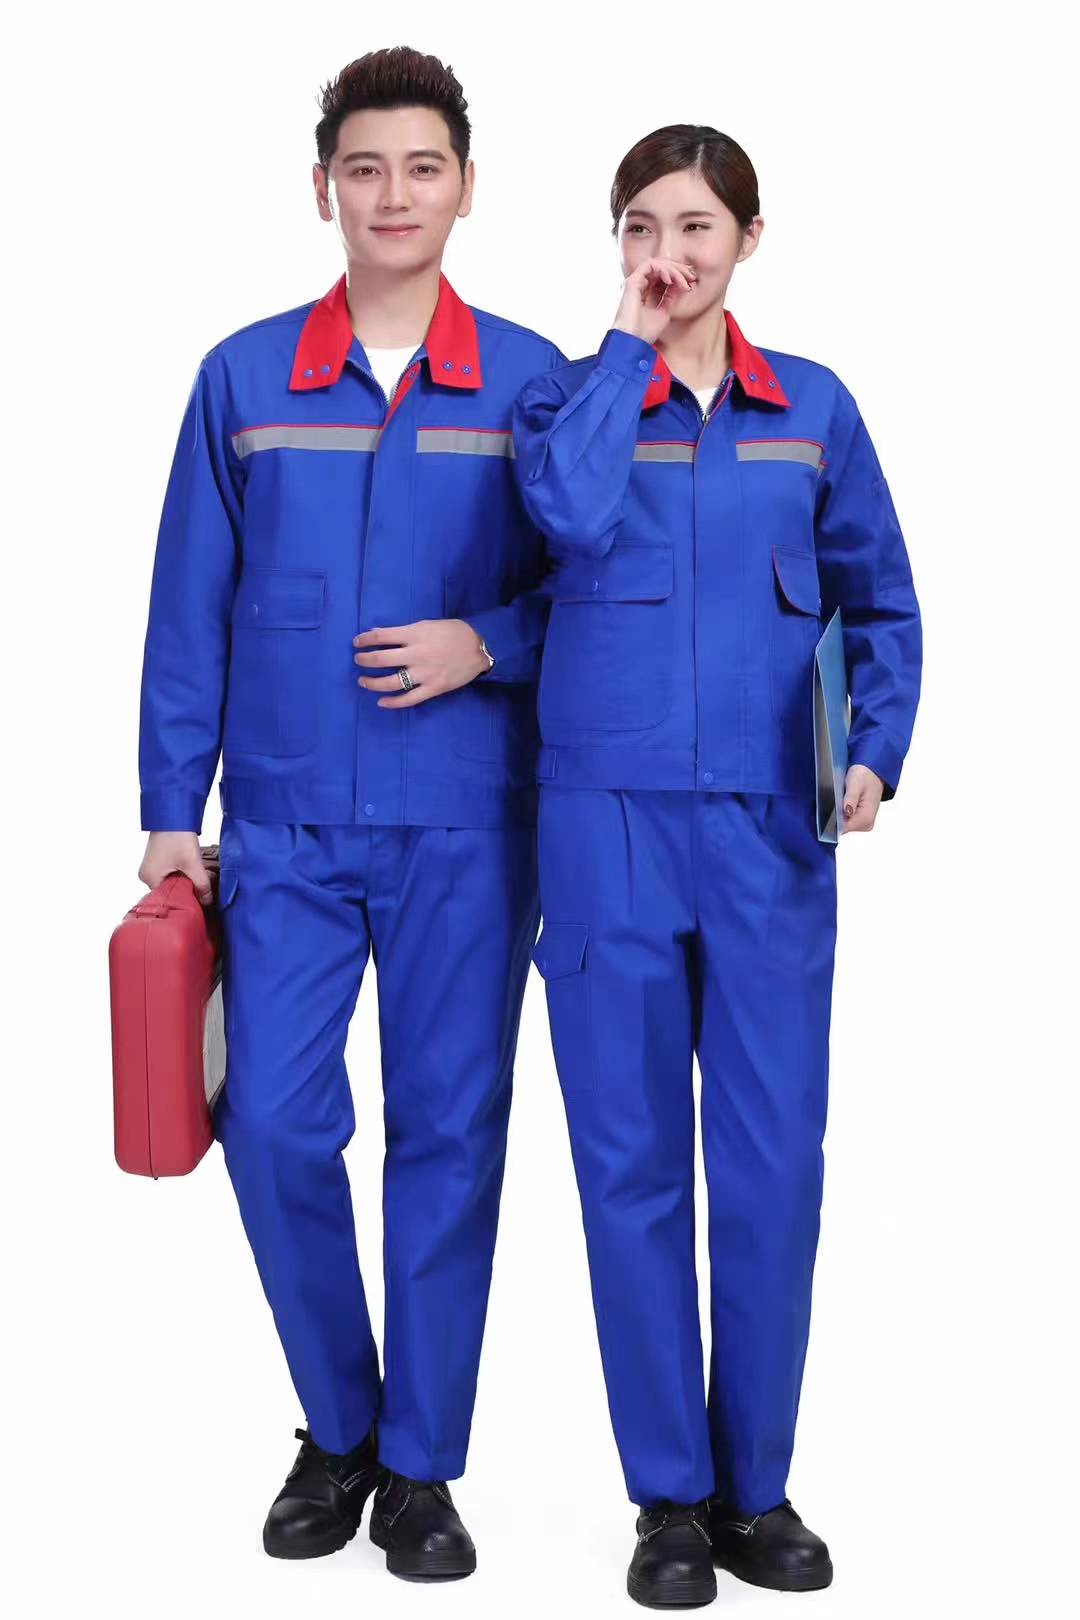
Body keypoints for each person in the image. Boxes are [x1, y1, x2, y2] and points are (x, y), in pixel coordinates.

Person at [137, 47, 563, 1581]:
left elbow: (596, 589)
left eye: (423, 167)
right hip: (289, 826)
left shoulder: (532, 381)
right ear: (323, 185)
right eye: (366, 168)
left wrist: (486, 644)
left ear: (466, 188)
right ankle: (341, 1425)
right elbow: (191, 603)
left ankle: (422, 1468)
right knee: (270, 1122)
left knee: (451, 1135)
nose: (395, 195)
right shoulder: (244, 378)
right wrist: (168, 806)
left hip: (470, 821)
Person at [513, 123, 922, 1608]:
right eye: (639, 227)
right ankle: (669, 1500)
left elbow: (880, 600)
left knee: (770, 1168)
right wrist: (627, 351)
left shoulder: (813, 408)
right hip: (605, 830)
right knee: (628, 1169)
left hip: (766, 838)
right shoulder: (568, 401)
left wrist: (876, 746)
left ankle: (759, 1489)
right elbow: (565, 513)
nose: (666, 254)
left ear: (750, 237)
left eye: (694, 227)